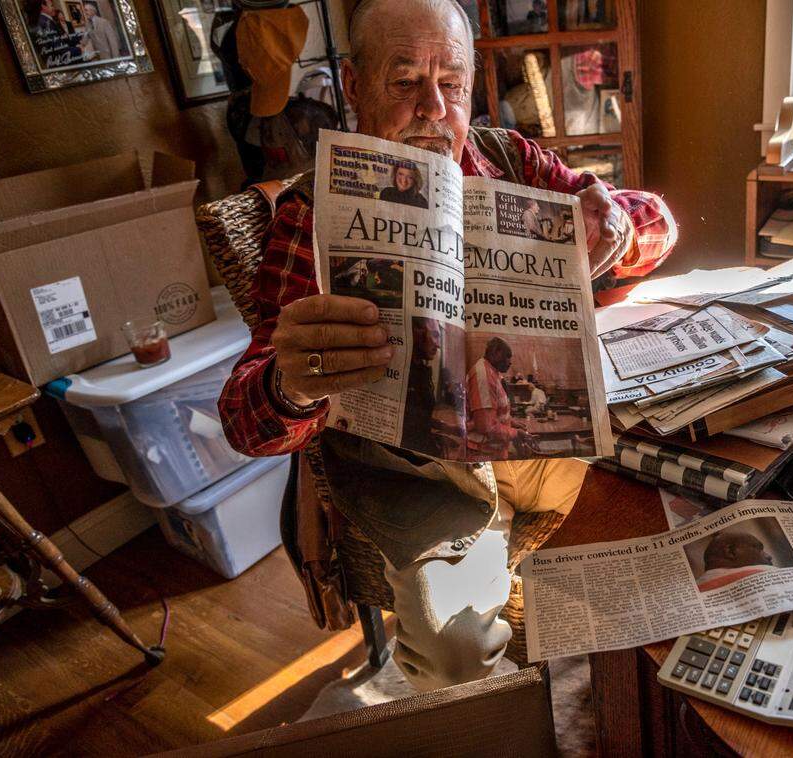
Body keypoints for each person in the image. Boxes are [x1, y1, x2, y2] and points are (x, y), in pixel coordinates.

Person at [219, 0, 677, 694]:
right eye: (404, 83)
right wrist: (291, 383)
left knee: (694, 519)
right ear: (356, 80)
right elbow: (242, 418)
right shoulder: (313, 213)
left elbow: (659, 223)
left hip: (555, 446)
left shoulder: (509, 159)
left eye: (452, 82)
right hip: (431, 485)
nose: (434, 108)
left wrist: (613, 222)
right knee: (454, 648)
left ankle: (617, 707)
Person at [465, 338, 532, 460]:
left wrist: (511, 422)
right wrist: (515, 433)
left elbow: (492, 412)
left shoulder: (492, 372)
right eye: (507, 356)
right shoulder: (483, 375)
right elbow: (486, 426)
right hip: (483, 455)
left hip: (492, 452)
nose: (510, 362)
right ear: (495, 353)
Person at [400, 317, 445, 454]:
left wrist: (448, 428)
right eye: (436, 335)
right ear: (417, 332)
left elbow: (422, 417)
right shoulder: (404, 371)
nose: (438, 345)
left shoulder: (422, 370)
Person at [694, 531, 775, 592]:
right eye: (759, 549)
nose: (769, 556)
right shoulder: (763, 573)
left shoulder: (695, 588)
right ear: (731, 551)